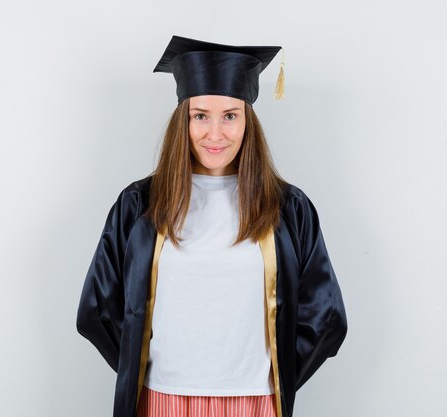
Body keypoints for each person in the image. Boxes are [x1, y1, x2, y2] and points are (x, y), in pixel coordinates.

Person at [76, 35, 348, 417]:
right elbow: (97, 309)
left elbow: (327, 316)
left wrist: (275, 375)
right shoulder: (141, 205)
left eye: (230, 116)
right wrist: (143, 364)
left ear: (248, 121)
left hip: (255, 402)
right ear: (182, 120)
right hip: (162, 399)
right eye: (200, 115)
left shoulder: (287, 208)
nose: (215, 133)